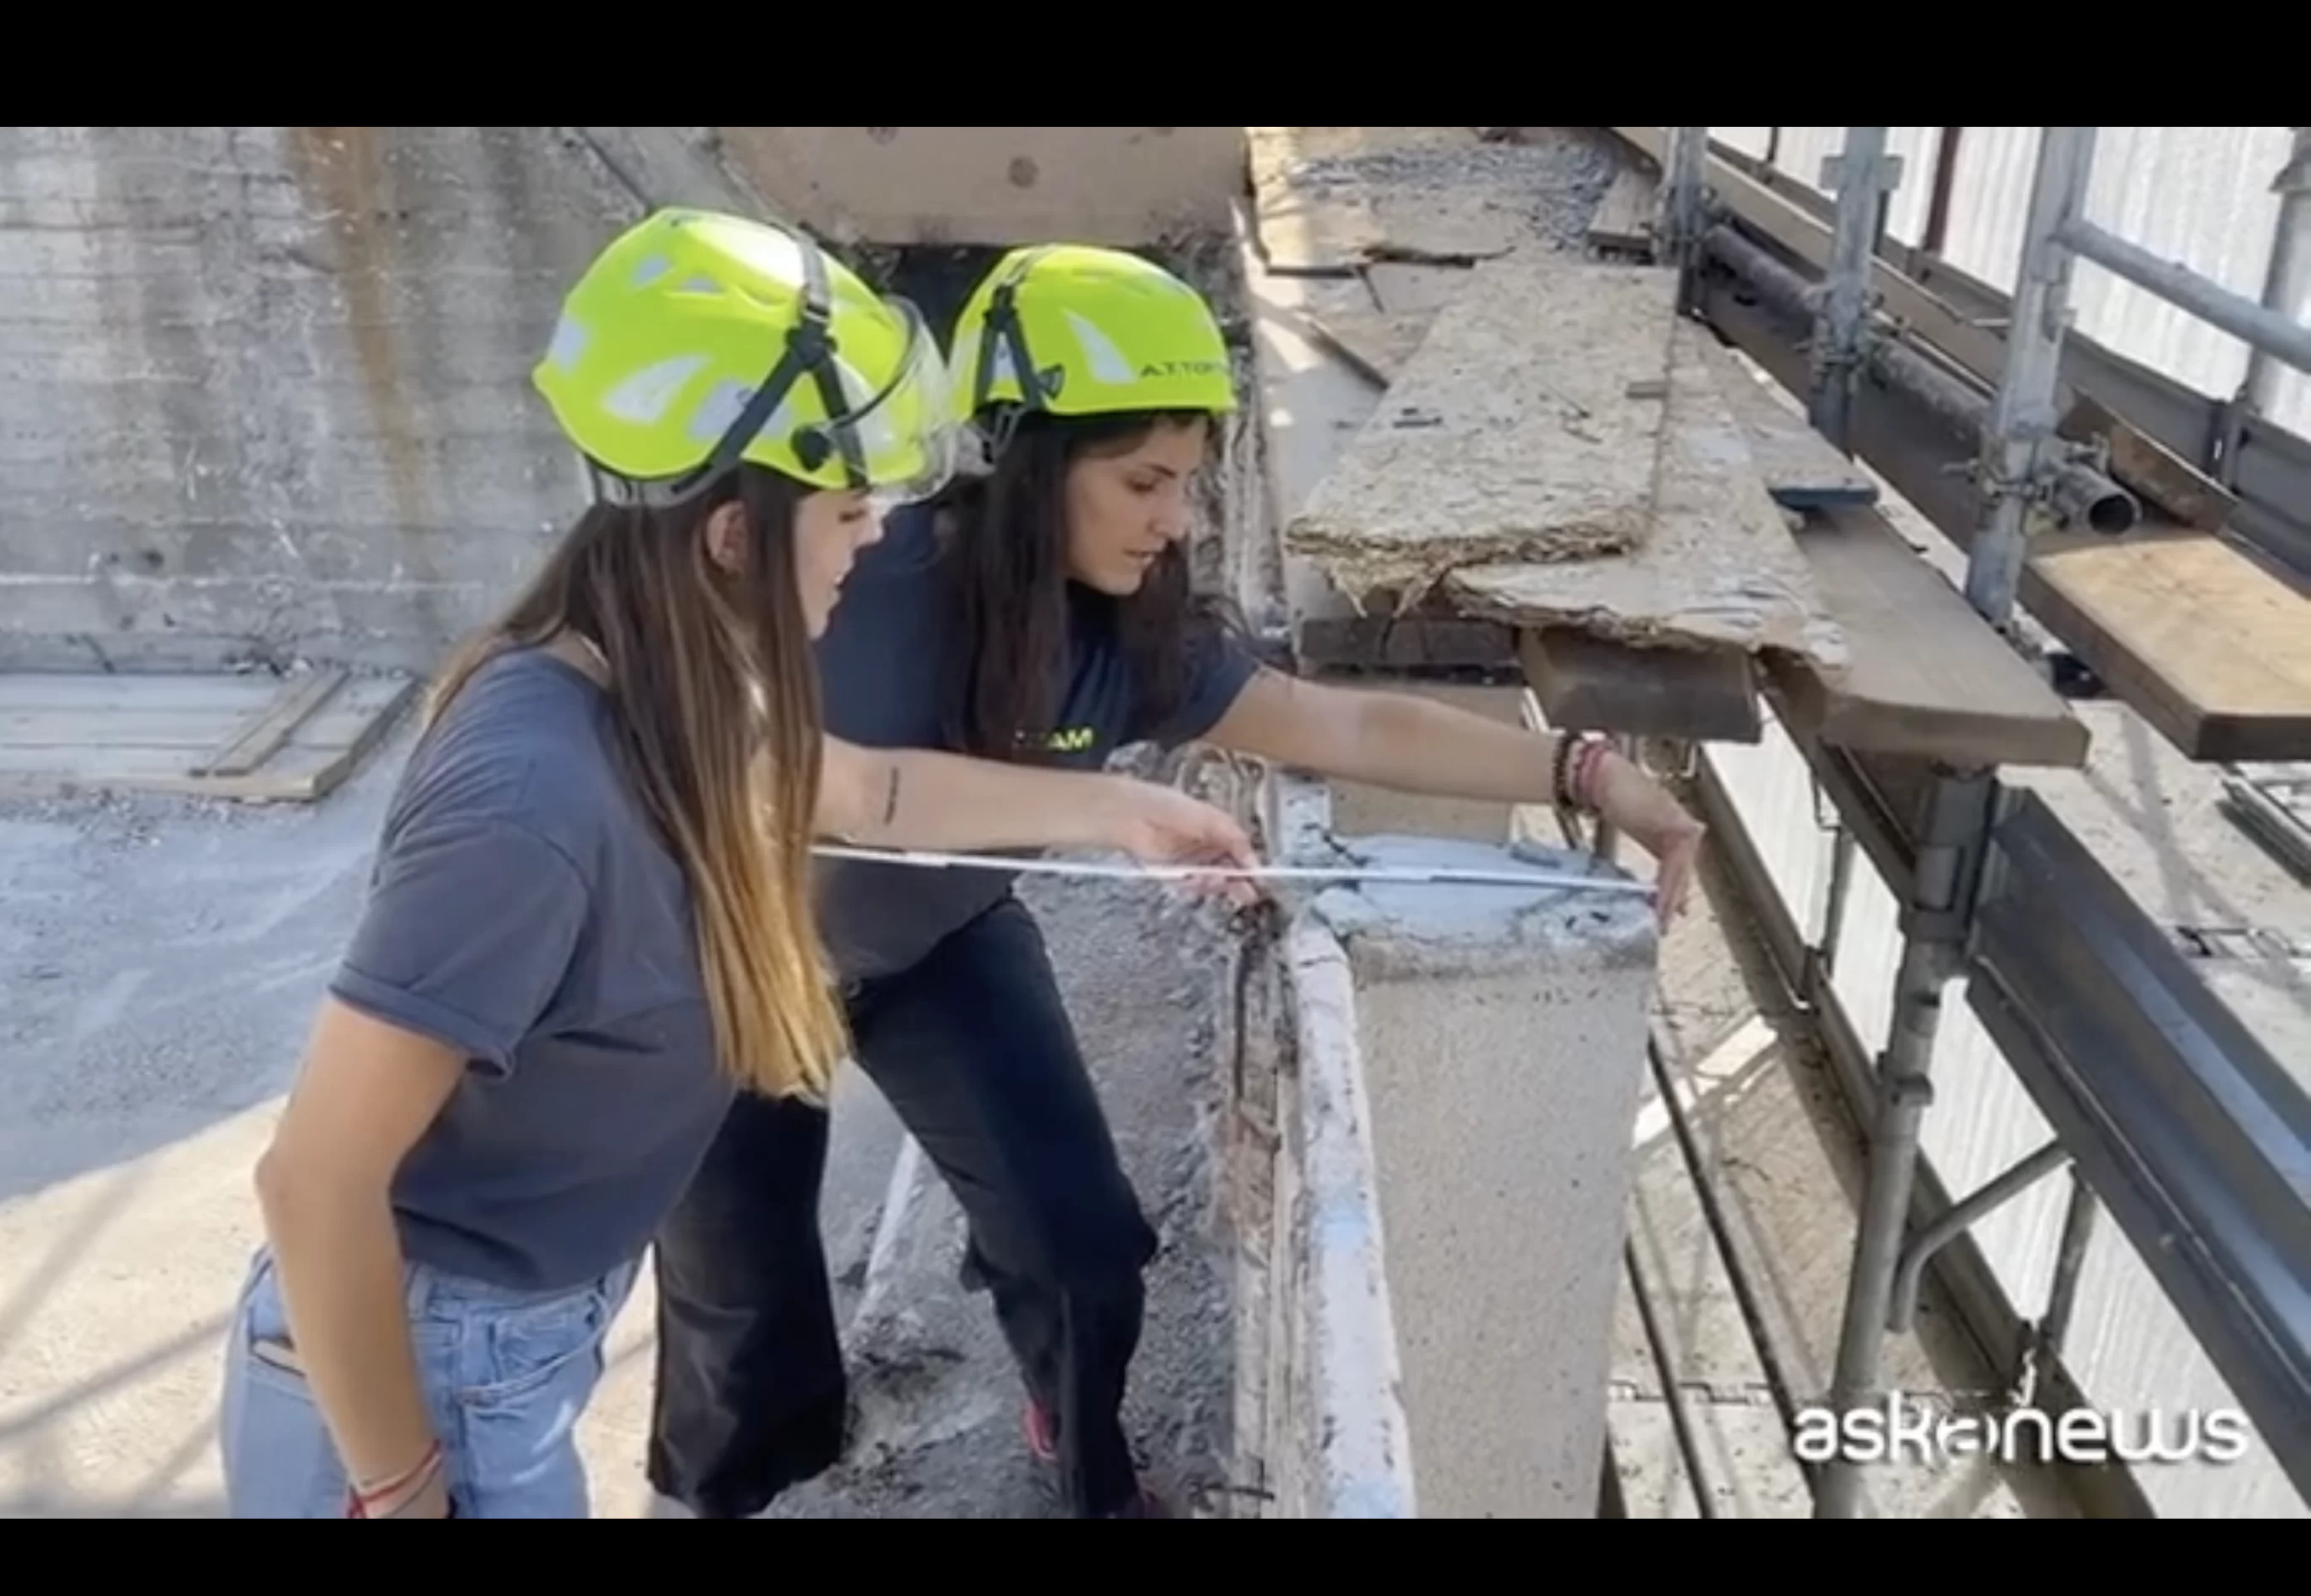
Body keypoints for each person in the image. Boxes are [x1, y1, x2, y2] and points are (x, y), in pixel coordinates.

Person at [216, 211, 1264, 1520]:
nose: (876, 540)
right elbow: (313, 1182)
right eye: (844, 512)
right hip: (417, 1375)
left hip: (515, 1338)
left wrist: (1115, 808)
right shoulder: (529, 798)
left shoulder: (696, 695)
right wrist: (400, 1488)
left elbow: (873, 788)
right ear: (728, 537)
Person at [642, 242, 1709, 1520]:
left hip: (934, 950)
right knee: (740, 1318)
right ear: (1033, 466)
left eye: (1191, 483)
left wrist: (1587, 771)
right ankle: (732, 1489)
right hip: (722, 965)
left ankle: (1086, 1467)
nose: (1176, 521)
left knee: (1085, 1250)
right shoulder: (850, 575)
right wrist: (1109, 805)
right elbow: (826, 776)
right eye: (1145, 479)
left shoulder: (1135, 638)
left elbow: (1353, 730)